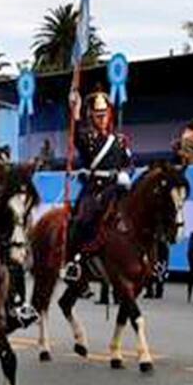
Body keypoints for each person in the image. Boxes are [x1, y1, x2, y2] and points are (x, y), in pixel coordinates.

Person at [63, 89, 133, 284]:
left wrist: (125, 174)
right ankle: (74, 261)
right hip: (96, 188)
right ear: (91, 116)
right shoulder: (88, 138)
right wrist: (75, 110)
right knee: (82, 220)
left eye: (104, 115)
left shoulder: (119, 140)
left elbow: (128, 163)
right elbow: (76, 134)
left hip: (117, 187)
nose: (102, 119)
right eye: (98, 115)